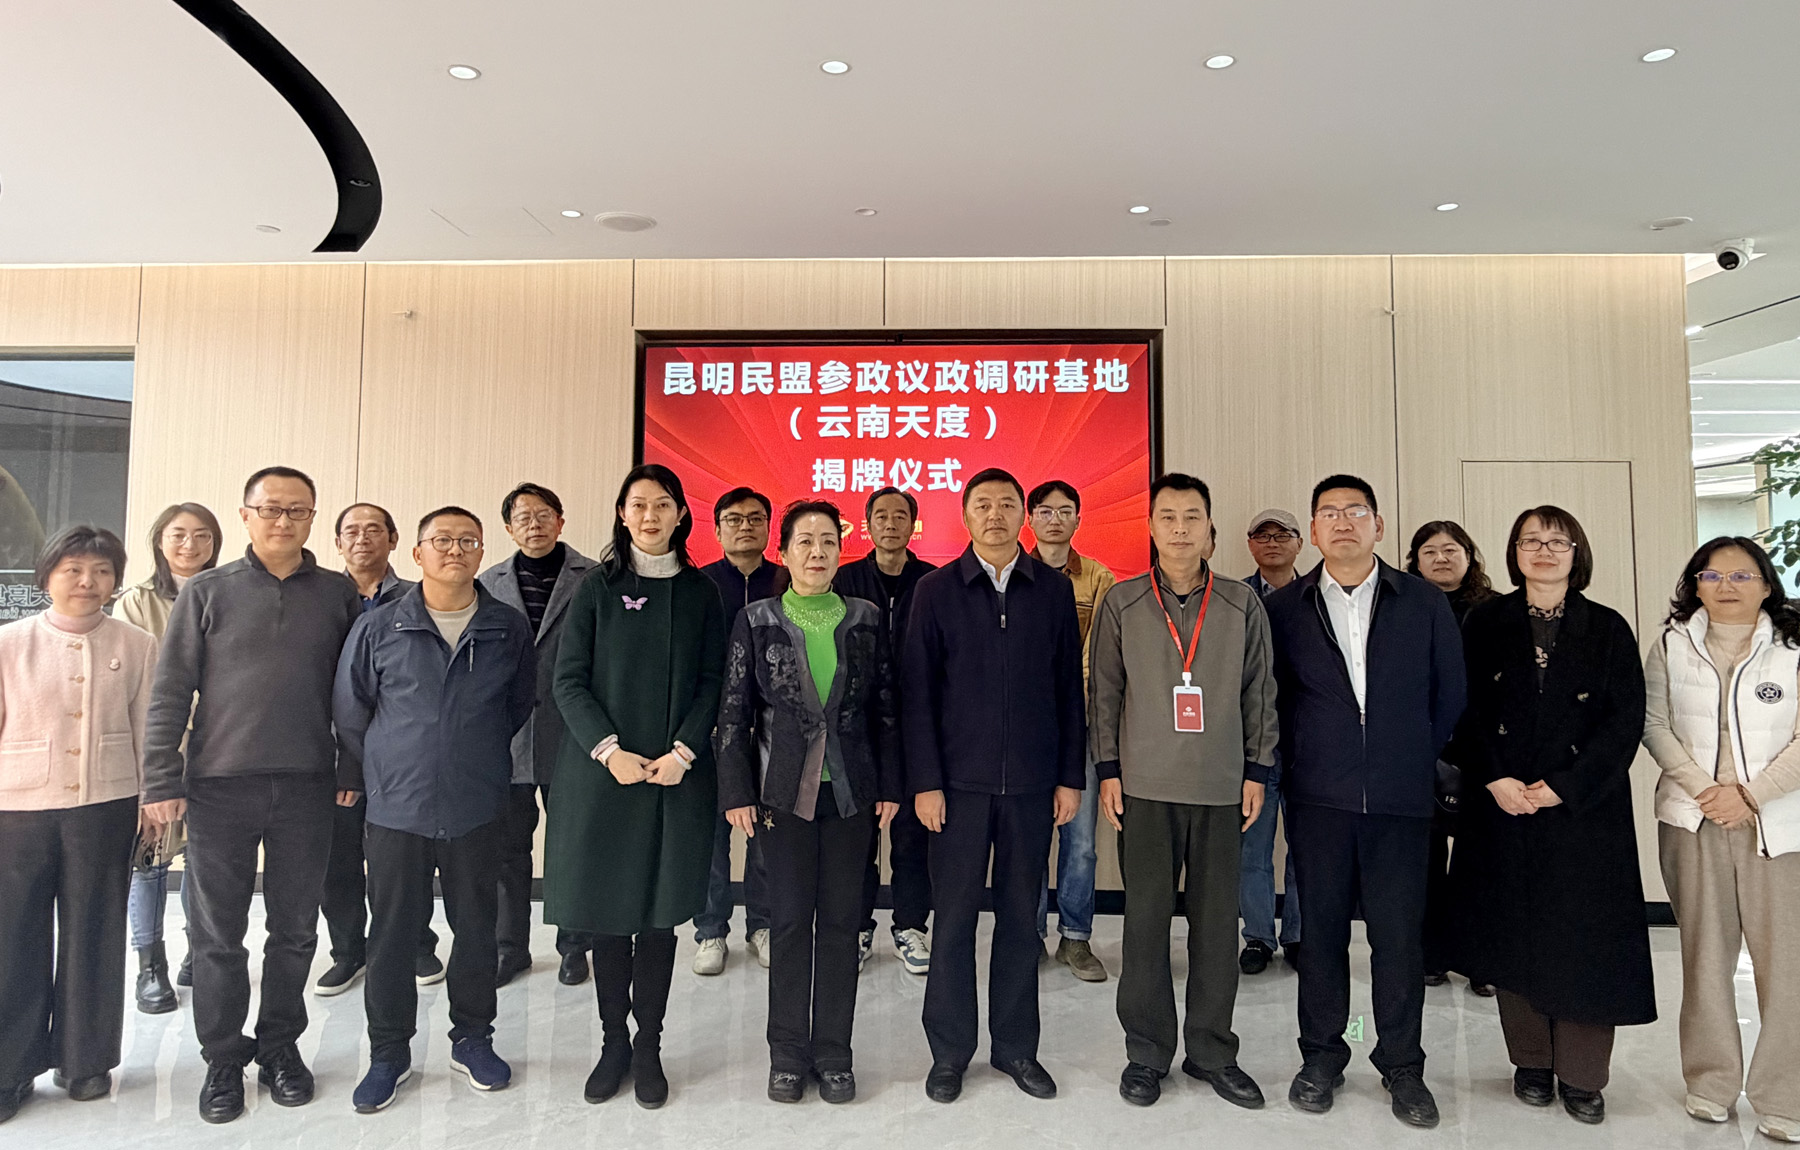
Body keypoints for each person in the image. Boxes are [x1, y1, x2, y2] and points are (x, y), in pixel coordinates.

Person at [139, 466, 361, 1125]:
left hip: (308, 786)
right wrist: (160, 778)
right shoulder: (207, 591)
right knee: (217, 935)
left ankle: (280, 1048)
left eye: (297, 510)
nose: (283, 521)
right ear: (245, 515)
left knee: (294, 931)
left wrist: (351, 768)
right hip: (218, 787)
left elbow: (356, 691)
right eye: (271, 509)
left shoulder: (337, 593)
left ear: (313, 518)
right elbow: (170, 690)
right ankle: (222, 1058)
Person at [1263, 474, 1465, 1129]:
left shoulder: (1422, 601)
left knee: (1398, 941)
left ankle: (1402, 1065)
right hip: (1319, 799)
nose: (1343, 522)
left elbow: (1450, 693)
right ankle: (1322, 1057)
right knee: (1320, 938)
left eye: (1356, 511)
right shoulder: (1285, 608)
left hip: (1402, 801)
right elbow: (1271, 700)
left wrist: (1408, 754)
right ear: (1314, 531)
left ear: (1378, 525)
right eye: (1330, 513)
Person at [1447, 506, 1652, 1124]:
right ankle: (1531, 1062)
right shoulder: (1485, 621)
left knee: (1585, 937)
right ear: (1514, 552)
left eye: (1557, 541)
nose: (1543, 550)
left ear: (1576, 552)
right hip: (1503, 803)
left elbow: (1624, 722)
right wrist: (1494, 777)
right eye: (1530, 540)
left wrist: (1564, 786)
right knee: (1512, 931)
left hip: (1583, 809)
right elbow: (1461, 706)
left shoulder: (1608, 627)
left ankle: (1583, 1076)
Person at [334, 506, 536, 1113]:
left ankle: (472, 1038)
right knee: (393, 933)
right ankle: (388, 1052)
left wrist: (469, 753)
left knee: (477, 928)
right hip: (397, 806)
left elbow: (518, 703)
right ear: (418, 553)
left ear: (482, 553)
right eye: (441, 540)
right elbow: (351, 710)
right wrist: (388, 766)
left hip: (477, 802)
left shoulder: (506, 627)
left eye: (467, 541)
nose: (455, 550)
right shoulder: (379, 626)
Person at [1088, 474, 1276, 1110]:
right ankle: (1146, 1052)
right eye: (1167, 516)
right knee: (1144, 924)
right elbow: (1105, 692)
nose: (1179, 528)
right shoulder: (1123, 601)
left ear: (1209, 528)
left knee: (1217, 925)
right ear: (1150, 527)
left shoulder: (1241, 604)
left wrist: (1257, 770)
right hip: (1143, 787)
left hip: (1222, 787)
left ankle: (1212, 1051)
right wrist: (1108, 770)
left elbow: (1260, 691)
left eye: (1191, 517)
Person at [903, 468, 1085, 1104]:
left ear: (1022, 516)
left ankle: (1015, 1048)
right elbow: (917, 694)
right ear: (965, 516)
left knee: (1019, 921)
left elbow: (1068, 690)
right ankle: (949, 1052)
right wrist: (926, 782)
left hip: (1032, 787)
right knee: (953, 921)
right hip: (957, 789)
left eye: (1008, 504)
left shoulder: (1052, 590)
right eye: (983, 504)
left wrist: (1069, 777)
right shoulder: (935, 590)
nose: (996, 514)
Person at [547, 464, 726, 1109]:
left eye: (663, 505)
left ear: (681, 514)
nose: (651, 516)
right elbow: (568, 681)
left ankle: (648, 1045)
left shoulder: (702, 592)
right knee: (608, 915)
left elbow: (714, 681)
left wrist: (684, 751)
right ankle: (612, 1044)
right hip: (605, 778)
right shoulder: (597, 588)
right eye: (639, 505)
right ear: (622, 514)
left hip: (676, 778)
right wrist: (609, 750)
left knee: (657, 917)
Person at [716, 500, 903, 1104]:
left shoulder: (866, 617)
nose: (817, 552)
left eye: (827, 541)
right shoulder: (757, 619)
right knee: (791, 922)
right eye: (805, 541)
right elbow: (734, 712)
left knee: (844, 923)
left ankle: (835, 1053)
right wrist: (737, 791)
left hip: (852, 797)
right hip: (781, 798)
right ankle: (788, 1054)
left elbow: (886, 709)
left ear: (841, 551)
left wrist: (891, 786)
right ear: (785, 551)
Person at [1644, 536, 1800, 1143]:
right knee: (1704, 958)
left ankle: (1784, 1095)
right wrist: (1706, 789)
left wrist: (1751, 795)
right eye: (1712, 576)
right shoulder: (1671, 644)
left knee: (1785, 965)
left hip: (1778, 826)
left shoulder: (1793, 647)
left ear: (1766, 584)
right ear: (1695, 586)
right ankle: (1711, 1083)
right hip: (1694, 820)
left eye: (1742, 575)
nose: (1726, 586)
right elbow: (1652, 723)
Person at [0, 527, 157, 1126]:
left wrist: (152, 800)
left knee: (97, 929)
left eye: (101, 571)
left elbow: (149, 728)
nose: (88, 582)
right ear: (47, 576)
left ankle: (85, 1060)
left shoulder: (137, 644)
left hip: (107, 803)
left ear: (115, 580)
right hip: (17, 808)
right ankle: (10, 1068)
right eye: (73, 570)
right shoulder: (10, 642)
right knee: (13, 935)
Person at [315, 503, 443, 997]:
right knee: (339, 858)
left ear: (394, 540)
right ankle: (348, 951)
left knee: (408, 857)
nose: (362, 538)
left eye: (374, 530)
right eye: (351, 531)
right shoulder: (321, 599)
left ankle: (417, 943)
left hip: (403, 754)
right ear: (337, 543)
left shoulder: (419, 597)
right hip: (331, 750)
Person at [477, 482, 600, 988]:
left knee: (572, 846)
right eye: (523, 517)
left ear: (560, 521)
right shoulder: (487, 583)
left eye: (543, 514)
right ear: (509, 529)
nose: (534, 524)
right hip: (506, 737)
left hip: (572, 734)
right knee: (507, 850)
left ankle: (574, 945)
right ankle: (510, 948)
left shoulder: (594, 578)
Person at [115, 501, 221, 1012]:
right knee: (150, 855)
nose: (189, 545)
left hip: (218, 743)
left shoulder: (229, 592)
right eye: (178, 535)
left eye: (202, 536)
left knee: (207, 855)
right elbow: (140, 682)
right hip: (156, 743)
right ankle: (149, 965)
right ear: (160, 540)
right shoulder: (136, 602)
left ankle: (198, 953)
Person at [836, 486, 936, 975]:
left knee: (913, 834)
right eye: (881, 516)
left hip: (916, 721)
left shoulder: (933, 582)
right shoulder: (845, 579)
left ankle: (910, 926)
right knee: (859, 834)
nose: (891, 524)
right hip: (858, 723)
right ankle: (857, 928)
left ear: (913, 525)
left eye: (900, 516)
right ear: (867, 524)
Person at [1027, 479, 1116, 983]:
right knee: (1029, 838)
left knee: (1080, 841)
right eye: (1045, 511)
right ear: (1030, 519)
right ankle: (1029, 935)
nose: (1055, 519)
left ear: (1079, 520)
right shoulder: (1012, 574)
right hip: (1026, 729)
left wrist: (1063, 693)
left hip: (1080, 724)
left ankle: (1076, 938)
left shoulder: (1099, 578)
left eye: (1065, 511)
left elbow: (1098, 652)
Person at [1405, 519, 1499, 992]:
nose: (1440, 558)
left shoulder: (1497, 610)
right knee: (1424, 863)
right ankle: (1431, 957)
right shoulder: (1402, 608)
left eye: (1450, 550)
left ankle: (1483, 964)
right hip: (1420, 749)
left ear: (1469, 556)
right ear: (1415, 562)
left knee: (1480, 863)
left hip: (1484, 750)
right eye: (1429, 552)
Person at [694, 486, 784, 975]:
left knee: (766, 833)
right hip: (712, 726)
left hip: (772, 728)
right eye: (734, 519)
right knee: (710, 834)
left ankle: (762, 924)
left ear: (769, 527)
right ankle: (710, 930)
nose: (745, 526)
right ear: (717, 530)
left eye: (755, 518)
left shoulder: (786, 580)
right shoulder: (699, 584)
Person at [1238, 509, 1303, 975]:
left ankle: (1298, 935)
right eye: (1263, 535)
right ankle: (1258, 936)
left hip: (1307, 744)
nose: (1273, 542)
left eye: (1282, 535)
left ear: (1300, 543)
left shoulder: (1318, 595)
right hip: (1253, 745)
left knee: (1305, 849)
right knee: (1252, 849)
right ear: (1250, 544)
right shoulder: (1236, 597)